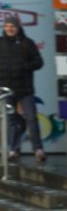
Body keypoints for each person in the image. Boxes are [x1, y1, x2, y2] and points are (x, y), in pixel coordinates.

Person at [0, 15, 45, 164]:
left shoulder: (27, 43)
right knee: (11, 121)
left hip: (25, 89)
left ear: (18, 27)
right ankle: (14, 149)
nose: (9, 29)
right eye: (6, 26)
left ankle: (38, 148)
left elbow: (39, 62)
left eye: (12, 26)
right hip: (6, 89)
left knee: (31, 118)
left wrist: (25, 67)